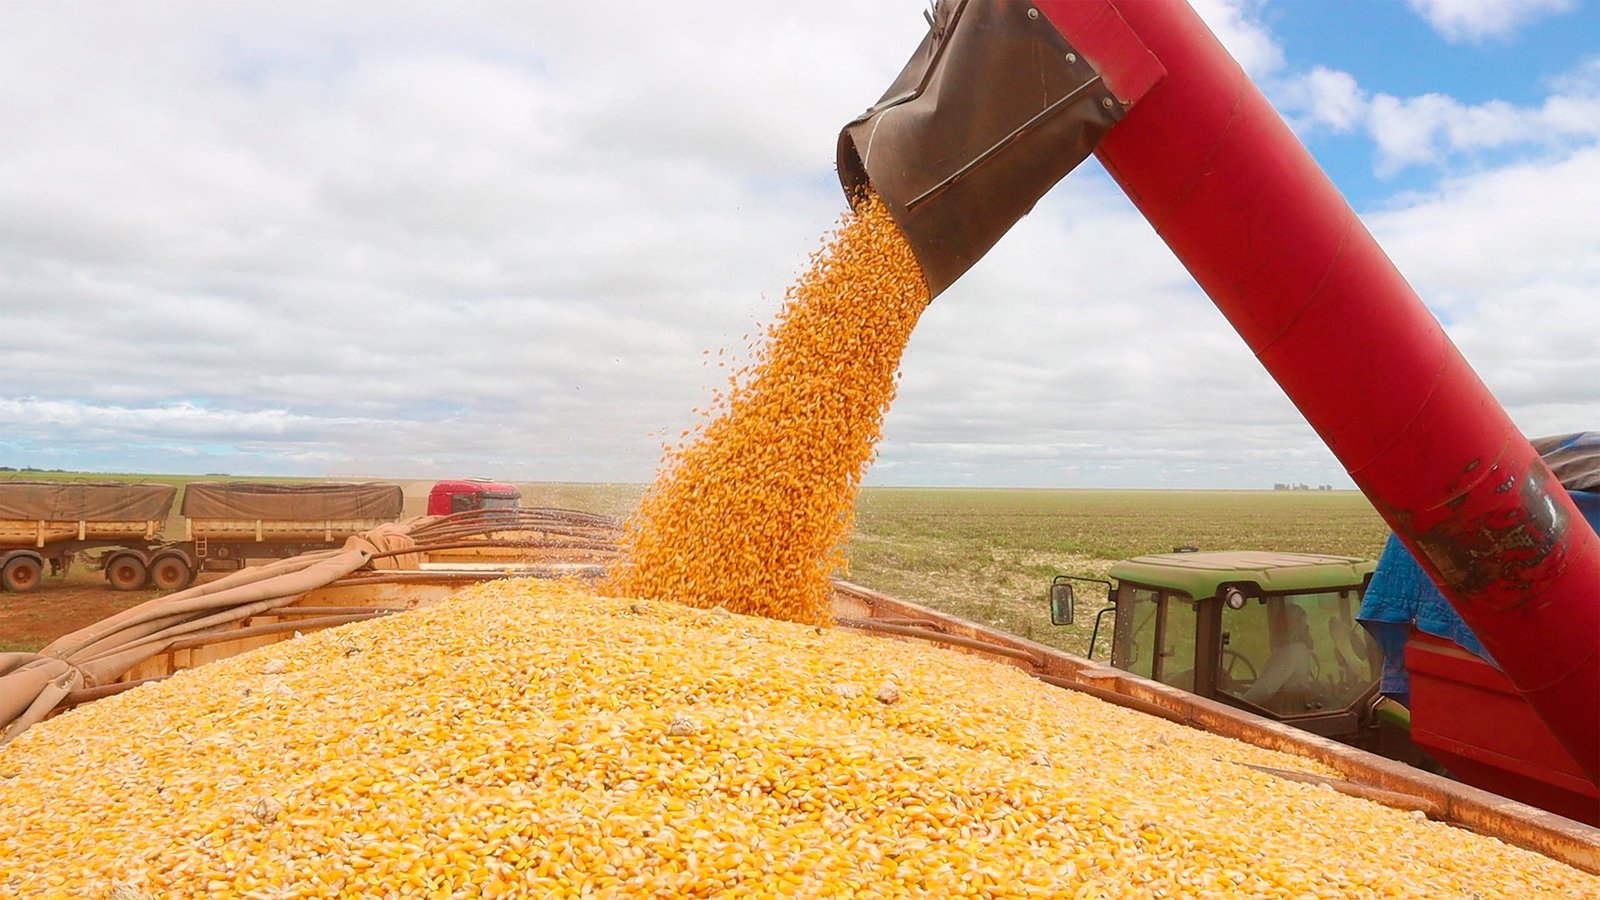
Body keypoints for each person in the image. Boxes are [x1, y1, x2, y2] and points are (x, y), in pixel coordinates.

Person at [1244, 604, 1315, 710]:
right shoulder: (1291, 649)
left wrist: (1237, 704)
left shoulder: (1292, 651)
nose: (1276, 626)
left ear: (1290, 625)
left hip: (1282, 714)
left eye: (1281, 622)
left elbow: (1265, 689)